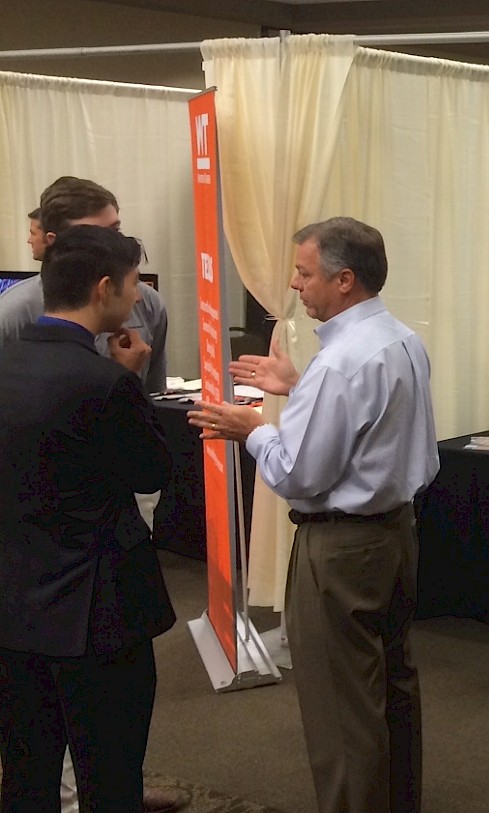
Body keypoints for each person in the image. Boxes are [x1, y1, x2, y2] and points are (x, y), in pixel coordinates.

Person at [189, 217, 438, 813]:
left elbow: (298, 474)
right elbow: (365, 430)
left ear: (344, 279)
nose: (295, 285)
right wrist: (299, 388)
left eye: (304, 273)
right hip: (395, 534)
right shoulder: (401, 340)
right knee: (393, 687)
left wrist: (252, 429)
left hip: (341, 550)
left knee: (342, 709)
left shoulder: (339, 364)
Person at [5, 189, 187, 813]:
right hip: (98, 612)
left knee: (25, 772)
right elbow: (151, 470)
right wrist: (129, 381)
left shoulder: (7, 360)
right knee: (111, 776)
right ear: (104, 288)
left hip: (14, 605)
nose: (139, 299)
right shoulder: (106, 381)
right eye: (134, 285)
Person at [0, 177, 169, 393]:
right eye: (94, 235)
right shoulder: (14, 312)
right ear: (54, 241)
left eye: (115, 231)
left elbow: (155, 397)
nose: (113, 243)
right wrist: (120, 380)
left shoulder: (147, 303)